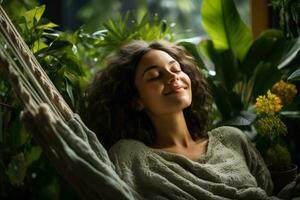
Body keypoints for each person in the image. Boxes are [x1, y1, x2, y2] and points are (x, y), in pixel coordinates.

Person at [85, 40, 298, 199]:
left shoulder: (232, 138)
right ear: (136, 100)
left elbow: (269, 191)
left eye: (176, 68)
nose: (172, 76)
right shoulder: (132, 155)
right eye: (154, 76)